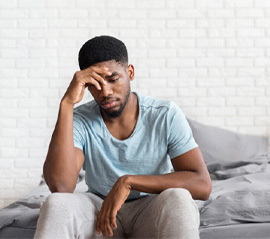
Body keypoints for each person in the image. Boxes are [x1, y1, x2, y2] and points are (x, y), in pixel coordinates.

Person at [34, 35, 212, 239]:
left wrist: (128, 182)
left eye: (113, 79)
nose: (105, 92)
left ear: (130, 72)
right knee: (56, 203)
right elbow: (61, 187)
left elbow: (202, 184)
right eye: (95, 84)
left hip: (152, 208)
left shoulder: (165, 114)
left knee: (179, 197)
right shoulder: (80, 120)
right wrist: (66, 104)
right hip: (100, 211)